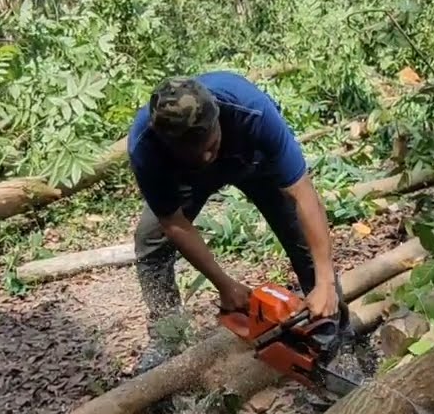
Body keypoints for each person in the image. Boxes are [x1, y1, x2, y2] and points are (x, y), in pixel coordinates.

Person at [127, 71, 350, 373]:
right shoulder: (145, 145)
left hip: (253, 162)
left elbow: (304, 194)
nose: (207, 157)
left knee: (302, 239)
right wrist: (224, 284)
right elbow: (174, 222)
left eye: (211, 145)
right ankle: (167, 336)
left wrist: (325, 281)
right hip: (186, 180)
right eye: (196, 152)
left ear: (218, 118)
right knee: (151, 240)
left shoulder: (251, 110)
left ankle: (333, 335)